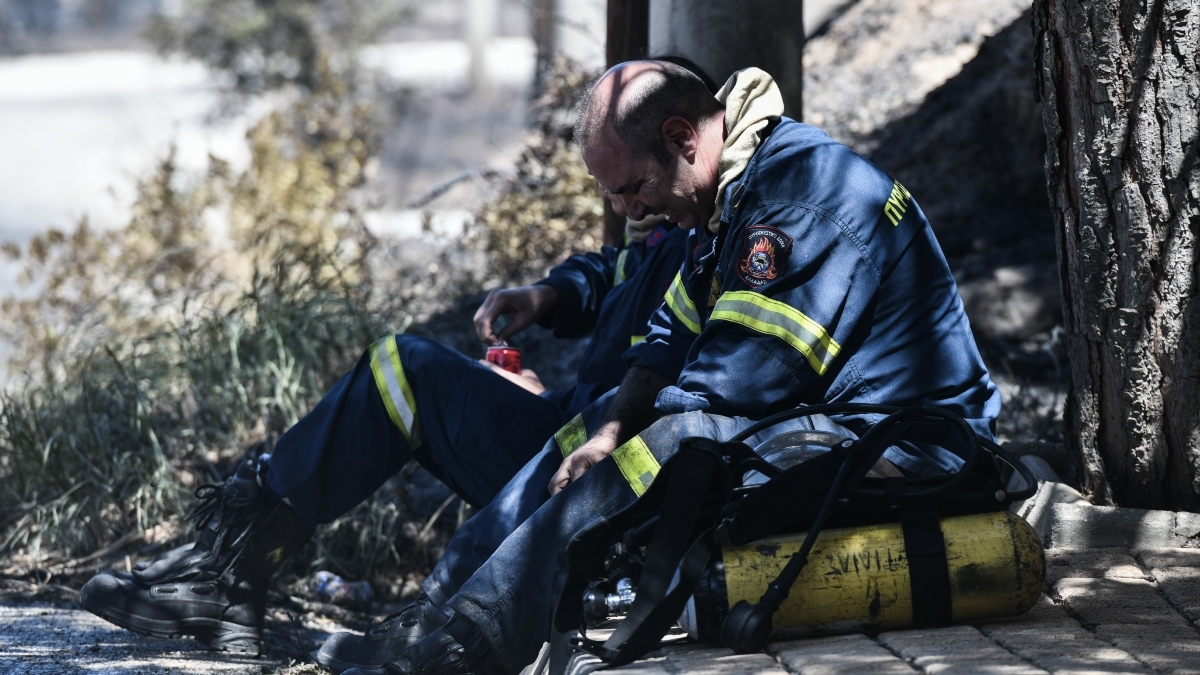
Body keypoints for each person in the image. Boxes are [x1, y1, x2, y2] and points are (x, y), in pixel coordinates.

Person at [329, 60, 1001, 675]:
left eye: (632, 188)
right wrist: (604, 434)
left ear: (683, 138)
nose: (629, 213)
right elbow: (665, 345)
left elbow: (732, 389)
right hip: (837, 434)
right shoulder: (730, 199)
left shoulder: (797, 205)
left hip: (914, 457)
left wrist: (625, 442)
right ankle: (441, 611)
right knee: (611, 424)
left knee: (678, 439)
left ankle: (466, 646)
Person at [76, 200, 690, 662]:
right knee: (398, 371)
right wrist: (547, 294)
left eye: (629, 185)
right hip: (571, 421)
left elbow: (661, 391)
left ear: (679, 142)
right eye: (608, 190)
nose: (619, 205)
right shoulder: (663, 219)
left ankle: (246, 580)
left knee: (409, 369)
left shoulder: (714, 234)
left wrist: (550, 402)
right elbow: (619, 268)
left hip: (597, 466)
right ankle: (232, 570)